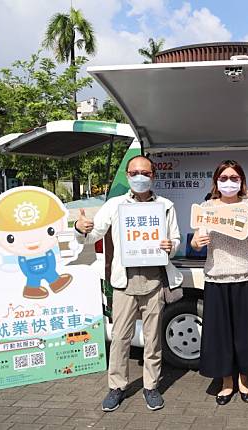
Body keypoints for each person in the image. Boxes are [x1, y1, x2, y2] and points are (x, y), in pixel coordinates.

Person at [75, 155, 181, 412]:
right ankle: (116, 387)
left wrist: (171, 246)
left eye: (144, 172)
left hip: (154, 282)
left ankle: (151, 386)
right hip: (124, 284)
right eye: (134, 173)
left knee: (153, 339)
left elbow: (175, 241)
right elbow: (92, 237)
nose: (139, 177)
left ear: (153, 176)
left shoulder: (165, 206)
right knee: (120, 338)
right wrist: (80, 227)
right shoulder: (115, 205)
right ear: (128, 176)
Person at [191, 160, 248, 406]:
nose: (228, 182)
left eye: (234, 178)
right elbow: (196, 240)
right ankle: (226, 382)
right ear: (216, 181)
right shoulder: (206, 207)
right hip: (216, 277)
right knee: (221, 335)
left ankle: (245, 380)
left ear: (241, 181)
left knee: (246, 334)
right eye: (224, 178)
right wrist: (198, 242)